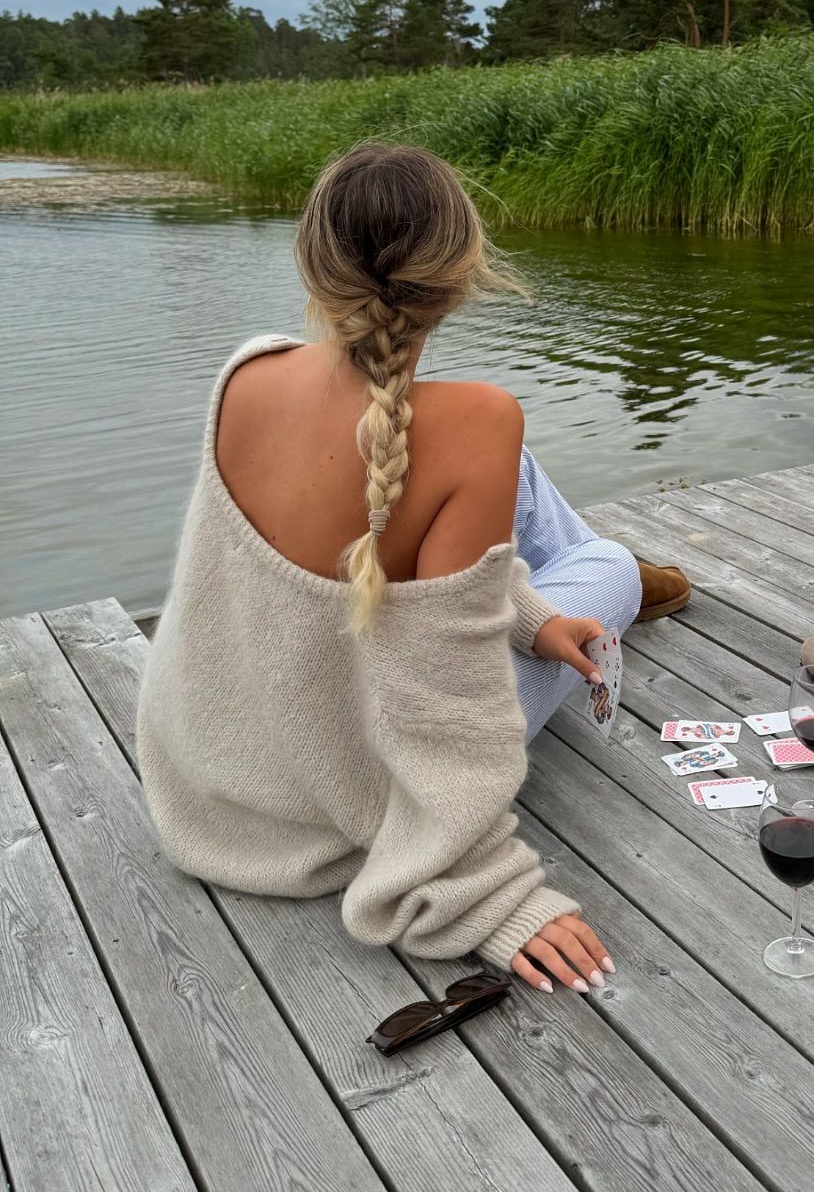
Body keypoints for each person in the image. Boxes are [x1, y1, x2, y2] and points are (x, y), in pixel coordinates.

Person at [138, 142, 684, 996]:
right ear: (464, 274)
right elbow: (446, 703)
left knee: (492, 482)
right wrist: (492, 899)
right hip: (342, 805)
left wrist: (531, 622)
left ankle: (529, 592)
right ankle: (600, 580)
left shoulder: (245, 372)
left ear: (311, 265)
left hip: (209, 786)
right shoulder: (478, 421)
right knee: (607, 562)